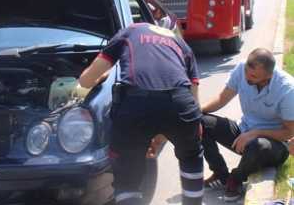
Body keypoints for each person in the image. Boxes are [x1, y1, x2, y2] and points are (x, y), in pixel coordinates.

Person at [79, 23, 203, 205]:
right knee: (191, 157)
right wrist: (168, 131)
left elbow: (86, 80)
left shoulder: (130, 32)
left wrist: (93, 79)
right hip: (181, 104)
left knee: (127, 176)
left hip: (136, 104)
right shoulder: (182, 45)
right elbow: (193, 97)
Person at [201, 48, 294, 202]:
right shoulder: (242, 70)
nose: (246, 77)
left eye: (253, 76)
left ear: (269, 75)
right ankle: (220, 174)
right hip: (244, 134)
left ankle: (236, 178)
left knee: (258, 145)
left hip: (273, 146)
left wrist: (256, 133)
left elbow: (289, 132)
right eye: (246, 71)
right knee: (200, 123)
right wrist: (197, 111)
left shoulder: (287, 90)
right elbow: (222, 98)